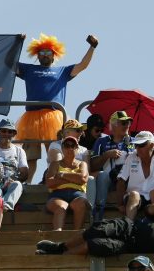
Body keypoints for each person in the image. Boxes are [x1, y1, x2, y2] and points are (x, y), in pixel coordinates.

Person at [15, 33, 97, 182]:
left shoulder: (63, 71)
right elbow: (10, 64)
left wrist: (92, 47)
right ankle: (27, 184)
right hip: (31, 117)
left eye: (48, 52)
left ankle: (51, 180)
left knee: (53, 152)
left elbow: (82, 65)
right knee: (30, 157)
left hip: (53, 116)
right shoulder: (28, 69)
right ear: (37, 55)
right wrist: (17, 43)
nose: (45, 55)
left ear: (54, 55)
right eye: (42, 52)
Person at [35, 200, 154, 257]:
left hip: (130, 247)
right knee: (97, 229)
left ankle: (61, 257)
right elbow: (148, 210)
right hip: (129, 227)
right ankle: (59, 247)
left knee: (94, 245)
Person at [91, 110, 135, 221]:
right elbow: (92, 166)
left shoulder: (135, 142)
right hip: (109, 181)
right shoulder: (102, 141)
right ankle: (98, 215)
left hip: (129, 179)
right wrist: (106, 155)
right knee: (101, 175)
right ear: (114, 125)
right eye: (124, 123)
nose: (127, 126)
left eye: (128, 123)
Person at [45, 136, 90, 231]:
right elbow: (49, 182)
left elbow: (82, 179)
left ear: (77, 149)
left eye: (73, 146)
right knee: (61, 207)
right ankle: (58, 234)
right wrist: (73, 179)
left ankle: (76, 234)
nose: (70, 148)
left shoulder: (82, 164)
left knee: (80, 204)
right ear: (62, 148)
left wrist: (61, 174)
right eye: (67, 145)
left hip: (77, 194)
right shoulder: (55, 164)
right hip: (58, 194)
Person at [0, 118, 29, 211]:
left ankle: (4, 206)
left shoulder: (19, 151)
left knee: (17, 185)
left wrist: (15, 180)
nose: (6, 134)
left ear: (14, 134)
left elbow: (24, 172)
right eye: (4, 131)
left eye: (10, 132)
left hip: (11, 185)